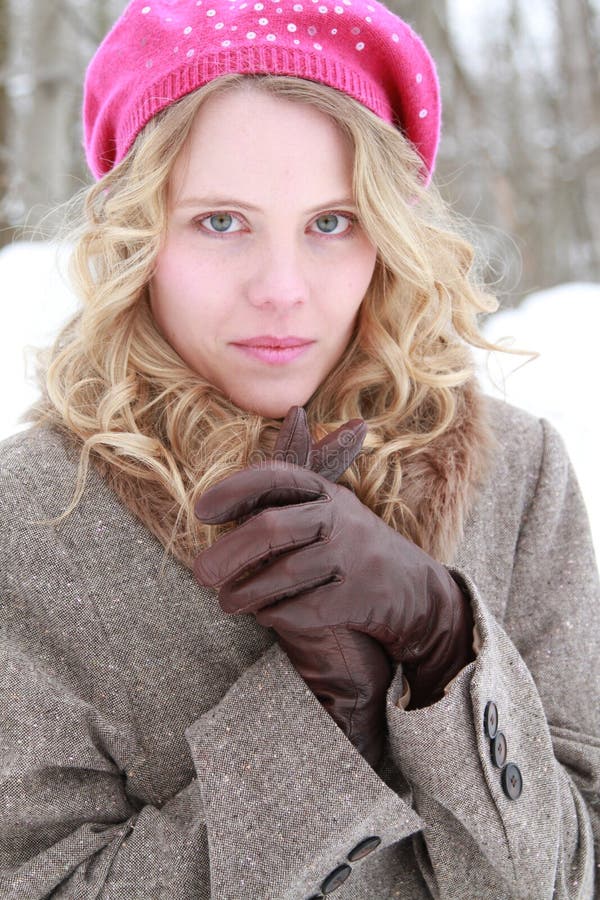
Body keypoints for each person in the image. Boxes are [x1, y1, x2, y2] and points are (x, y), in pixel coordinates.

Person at [0, 0, 598, 896]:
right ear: (138, 234)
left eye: (331, 222)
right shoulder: (36, 520)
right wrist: (318, 725)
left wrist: (444, 645)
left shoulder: (518, 472)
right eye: (220, 222)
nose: (282, 291)